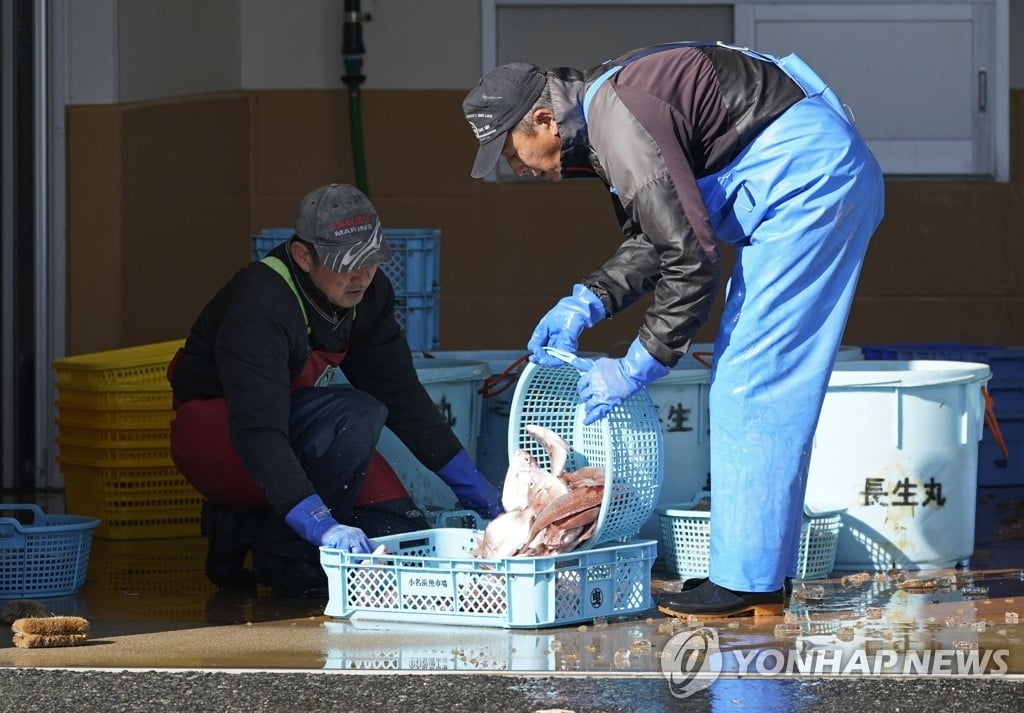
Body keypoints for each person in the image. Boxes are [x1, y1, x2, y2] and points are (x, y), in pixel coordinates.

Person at [463, 43, 883, 617]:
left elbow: (691, 257)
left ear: (541, 120)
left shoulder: (616, 120)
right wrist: (587, 300)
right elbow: (660, 235)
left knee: (751, 386)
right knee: (749, 382)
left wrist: (641, 362)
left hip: (809, 185)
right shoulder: (605, 113)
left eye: (512, 153)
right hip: (799, 182)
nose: (518, 171)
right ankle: (758, 576)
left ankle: (748, 583)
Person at [168, 183, 503, 597]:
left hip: (290, 429)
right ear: (303, 256)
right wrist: (321, 525)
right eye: (346, 264)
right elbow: (258, 431)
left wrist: (478, 491)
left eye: (371, 261)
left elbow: (403, 398)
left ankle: (257, 526)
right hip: (220, 436)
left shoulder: (368, 295)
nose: (361, 276)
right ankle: (268, 541)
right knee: (355, 415)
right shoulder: (259, 306)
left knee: (402, 538)